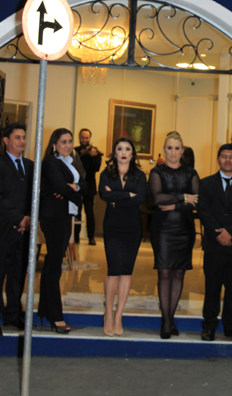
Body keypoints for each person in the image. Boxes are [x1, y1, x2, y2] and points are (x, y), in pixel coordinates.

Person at [197, 144, 232, 342]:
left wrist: (230, 232)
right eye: (224, 156)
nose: (227, 160)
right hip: (214, 245)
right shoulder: (206, 184)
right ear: (218, 159)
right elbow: (203, 212)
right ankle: (209, 326)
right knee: (212, 288)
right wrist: (219, 234)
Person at [0, 122, 33, 337]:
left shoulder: (31, 166)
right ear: (6, 141)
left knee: (17, 275)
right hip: (2, 230)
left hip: (24, 231)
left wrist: (27, 219)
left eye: (23, 137)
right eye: (17, 137)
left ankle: (13, 314)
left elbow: (35, 195)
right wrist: (19, 219)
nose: (22, 141)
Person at [149, 132, 199, 339]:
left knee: (179, 273)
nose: (173, 152)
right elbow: (157, 198)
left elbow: (197, 201)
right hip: (163, 229)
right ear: (164, 149)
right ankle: (166, 321)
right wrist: (183, 197)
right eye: (169, 148)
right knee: (164, 273)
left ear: (182, 150)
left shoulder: (191, 172)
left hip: (185, 229)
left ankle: (170, 318)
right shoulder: (157, 172)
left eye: (177, 148)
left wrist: (176, 204)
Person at [38, 128, 88, 333]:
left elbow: (85, 184)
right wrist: (75, 193)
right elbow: (59, 186)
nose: (68, 145)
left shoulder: (71, 162)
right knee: (54, 267)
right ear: (54, 145)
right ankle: (56, 316)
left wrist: (74, 189)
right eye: (63, 142)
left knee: (52, 263)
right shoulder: (51, 162)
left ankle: (45, 310)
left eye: (69, 141)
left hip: (66, 215)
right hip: (53, 217)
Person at [98, 137, 147, 336]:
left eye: (127, 149)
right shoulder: (106, 174)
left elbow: (142, 199)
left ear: (132, 153)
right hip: (112, 227)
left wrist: (116, 196)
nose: (124, 152)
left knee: (126, 271)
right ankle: (108, 314)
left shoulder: (140, 175)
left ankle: (119, 316)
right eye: (120, 149)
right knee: (113, 270)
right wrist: (129, 196)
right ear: (114, 153)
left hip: (132, 228)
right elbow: (104, 195)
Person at [74, 128, 103, 245]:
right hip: (77, 185)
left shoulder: (95, 151)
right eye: (83, 137)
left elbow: (96, 168)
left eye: (87, 137)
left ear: (90, 138)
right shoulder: (75, 151)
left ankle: (91, 237)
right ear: (79, 138)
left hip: (90, 186)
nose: (85, 140)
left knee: (90, 213)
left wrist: (93, 156)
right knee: (77, 212)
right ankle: (76, 237)